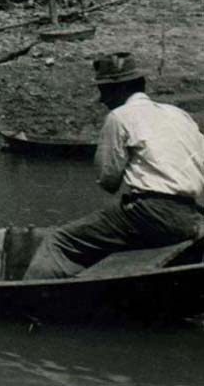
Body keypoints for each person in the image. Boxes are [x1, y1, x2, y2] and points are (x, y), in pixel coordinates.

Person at [24, 52, 204, 279]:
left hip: (150, 215)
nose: (102, 99)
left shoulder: (119, 117)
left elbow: (108, 181)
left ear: (118, 89)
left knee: (58, 241)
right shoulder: (179, 115)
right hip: (189, 216)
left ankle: (32, 298)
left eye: (103, 91)